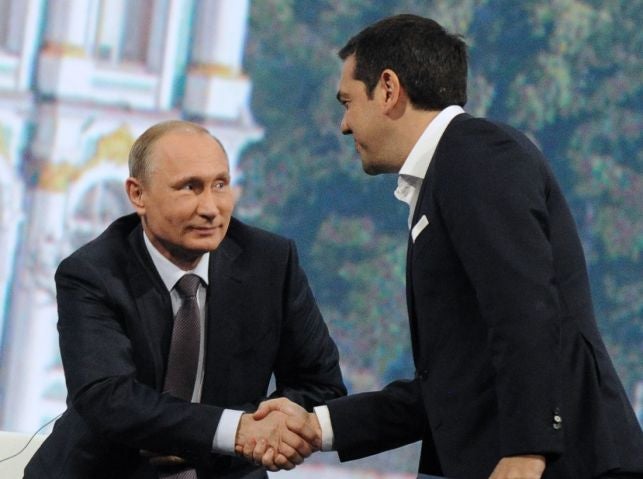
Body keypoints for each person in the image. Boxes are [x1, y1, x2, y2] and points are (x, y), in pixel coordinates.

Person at [247, 14, 643, 479]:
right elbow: (452, 383)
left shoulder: (475, 154)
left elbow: (527, 310)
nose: (344, 125)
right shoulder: (451, 169)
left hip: (562, 465)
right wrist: (318, 427)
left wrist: (527, 449)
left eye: (348, 103)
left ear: (389, 89)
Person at [24, 120, 346, 479]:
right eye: (190, 188)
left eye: (220, 185)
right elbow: (108, 399)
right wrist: (232, 430)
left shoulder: (271, 262)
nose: (210, 208)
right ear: (137, 195)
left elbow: (321, 385)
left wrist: (267, 426)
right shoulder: (93, 272)